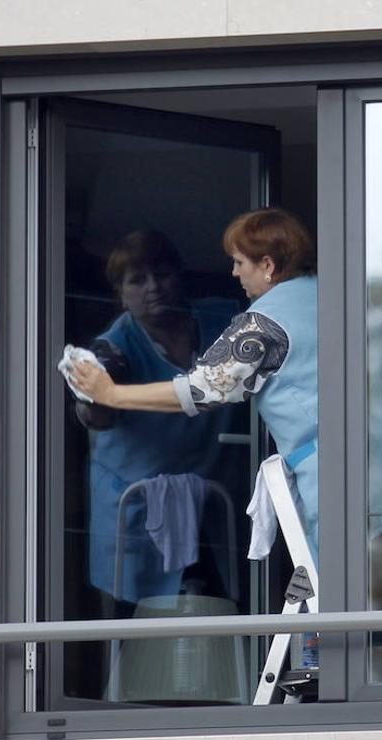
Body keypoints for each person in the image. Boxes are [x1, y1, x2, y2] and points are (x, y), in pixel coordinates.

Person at [76, 229, 243, 604]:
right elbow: (95, 412)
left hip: (215, 498)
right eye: (137, 280)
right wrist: (95, 393)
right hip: (133, 504)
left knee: (221, 609)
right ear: (120, 293)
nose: (154, 287)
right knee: (133, 622)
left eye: (163, 273)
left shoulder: (224, 320)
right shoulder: (113, 347)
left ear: (180, 276)